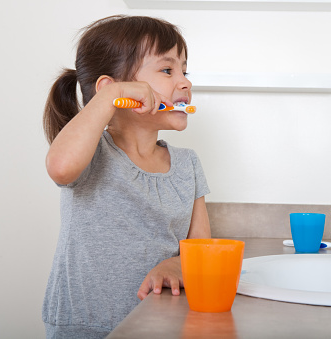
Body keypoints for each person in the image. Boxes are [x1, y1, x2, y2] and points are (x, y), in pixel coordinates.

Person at [42, 15, 211, 338]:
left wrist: (177, 265)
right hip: (83, 326)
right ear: (115, 89)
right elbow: (60, 167)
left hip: (158, 324)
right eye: (167, 70)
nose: (185, 82)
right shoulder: (91, 152)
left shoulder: (187, 165)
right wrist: (107, 98)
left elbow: (200, 245)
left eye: (184, 71)